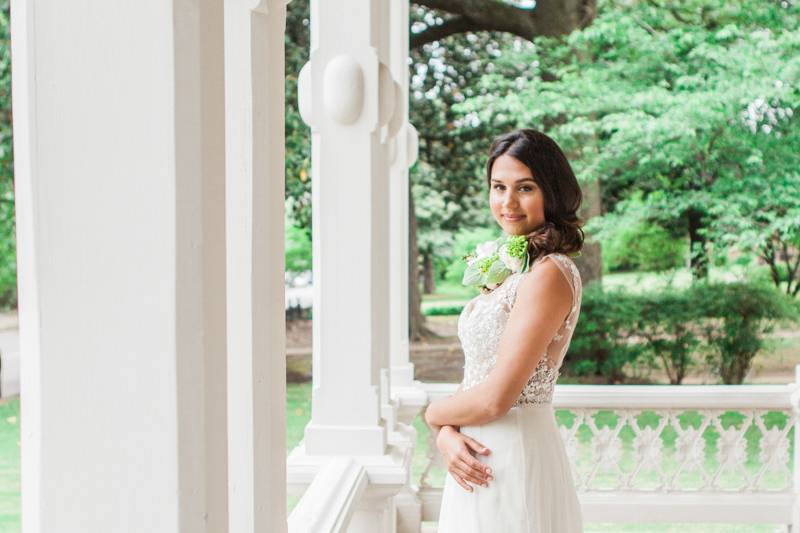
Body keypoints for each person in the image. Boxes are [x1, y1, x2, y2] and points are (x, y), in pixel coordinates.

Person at [425, 128, 585, 532]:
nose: (507, 202)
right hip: (474, 455)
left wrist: (432, 414)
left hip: (513, 456)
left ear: (552, 191)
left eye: (525, 188)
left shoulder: (549, 274)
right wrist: (447, 434)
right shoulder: (519, 269)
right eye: (498, 187)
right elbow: (479, 374)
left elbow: (498, 397)